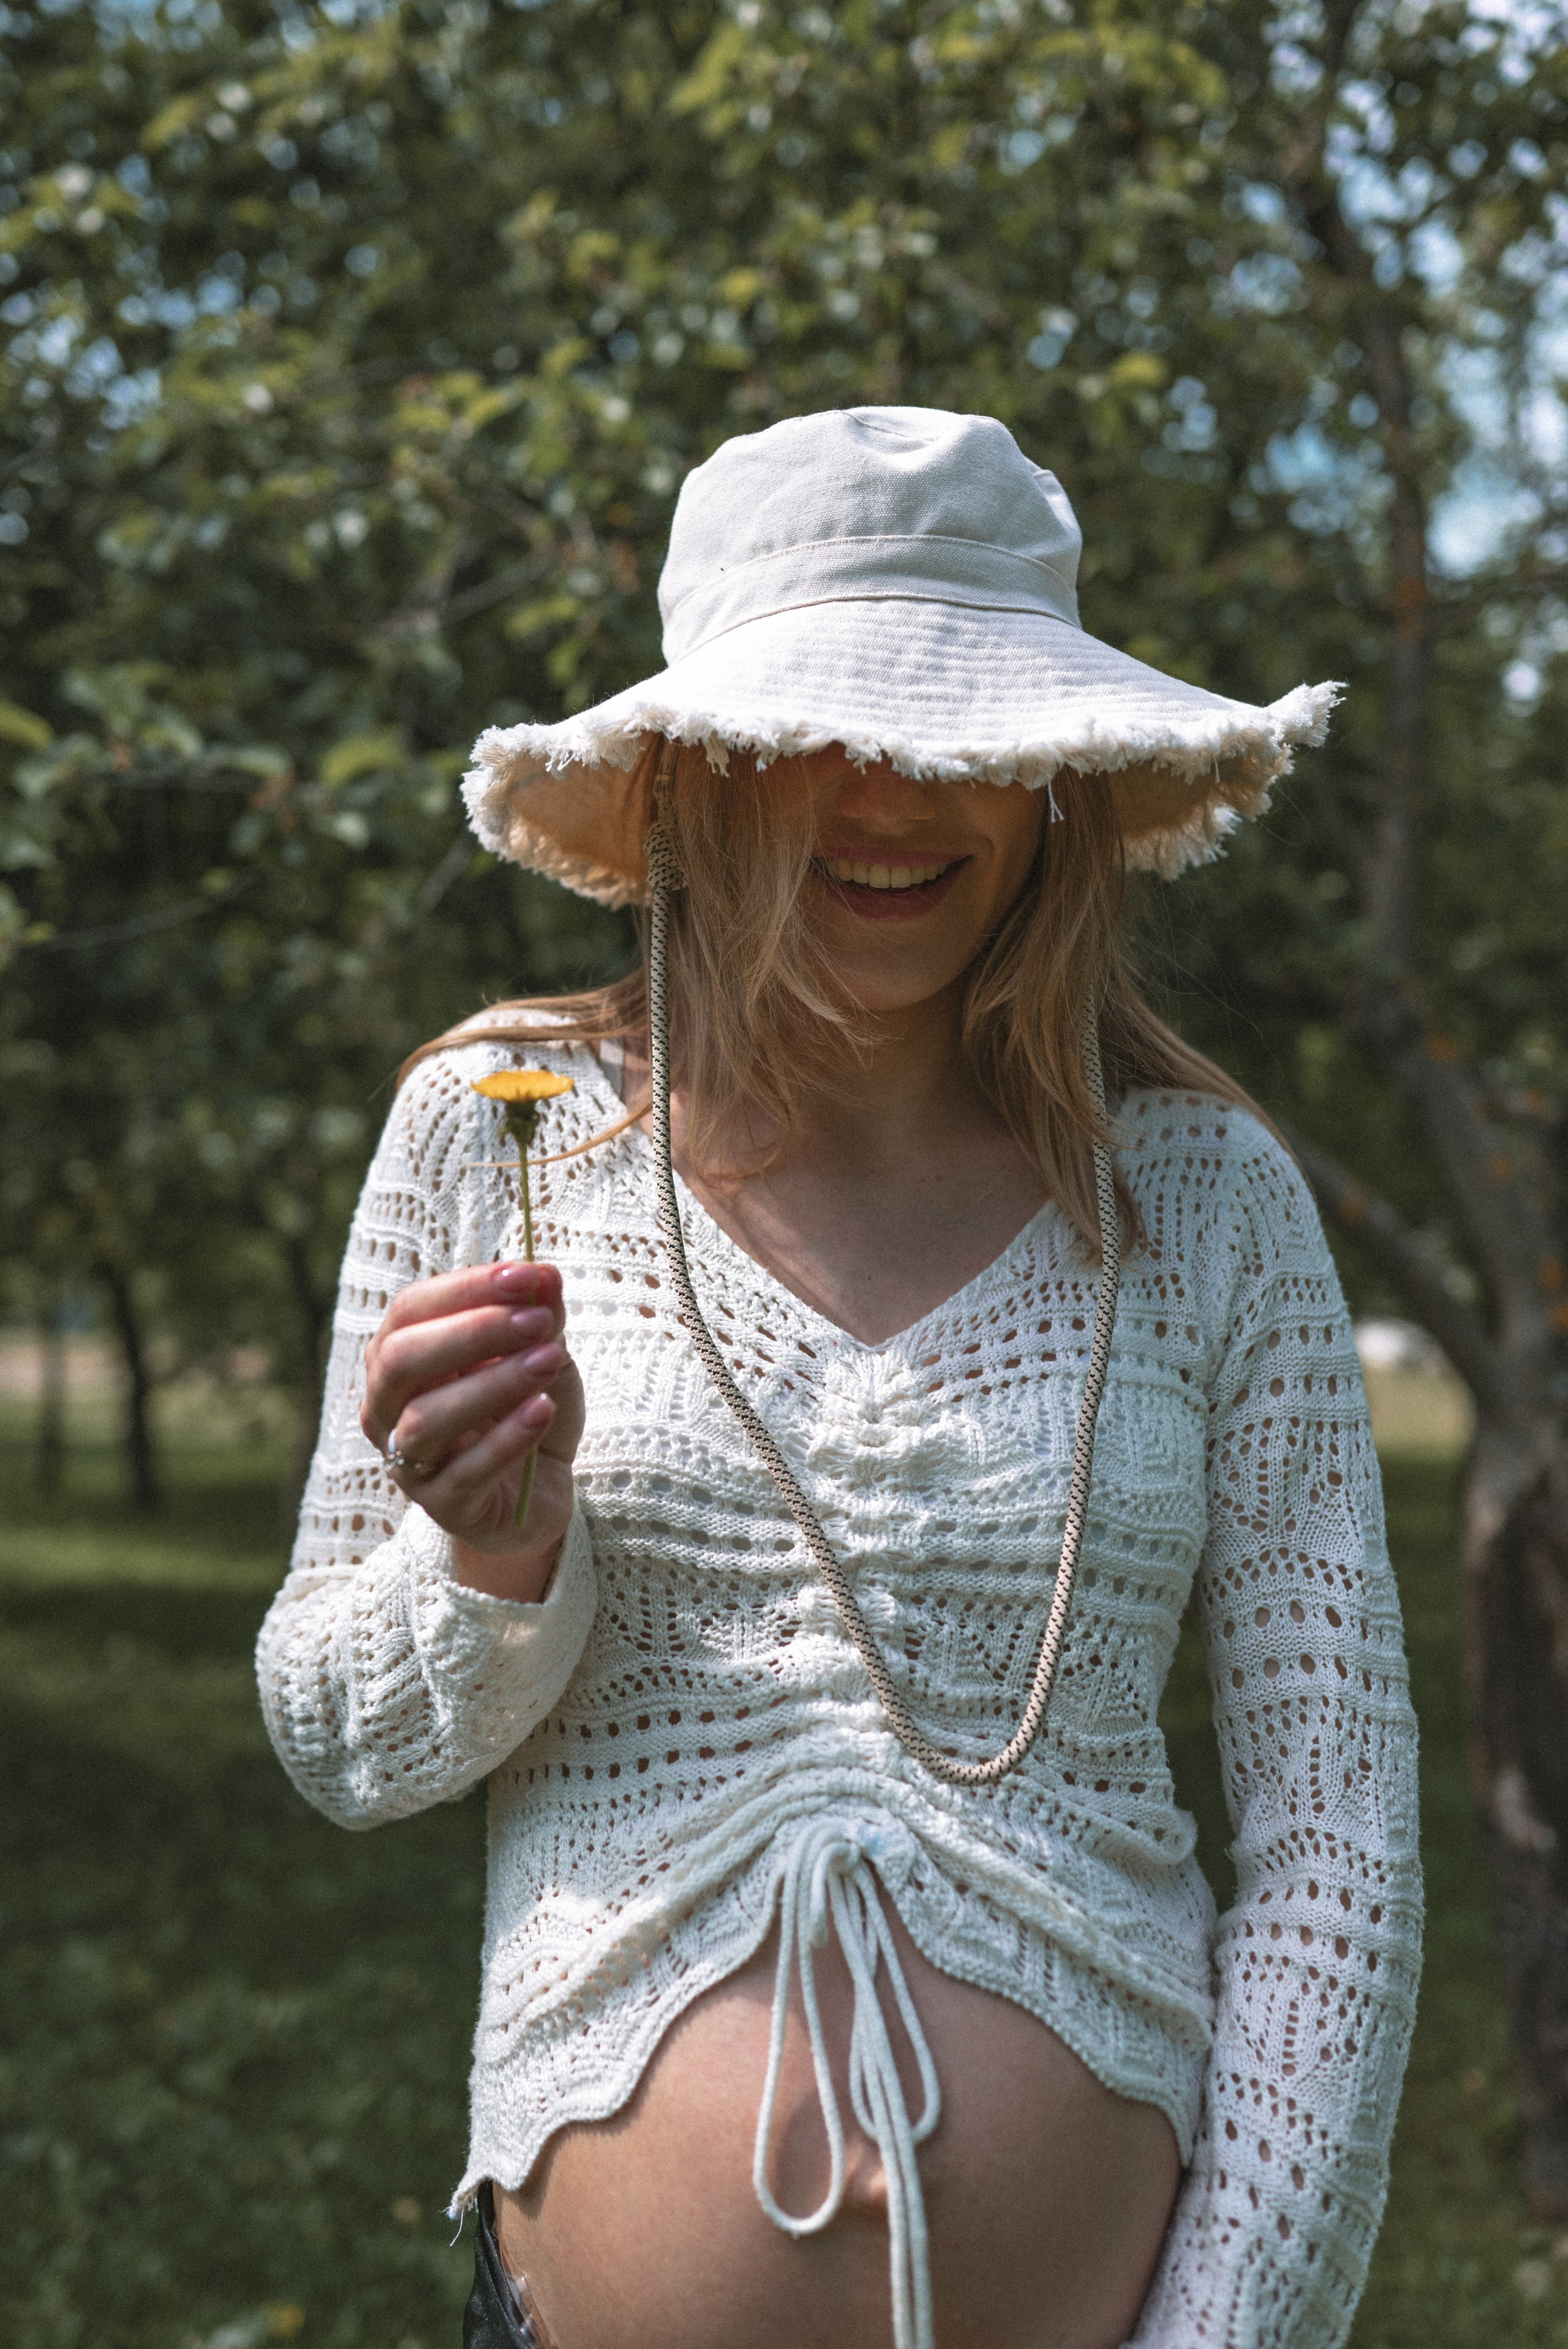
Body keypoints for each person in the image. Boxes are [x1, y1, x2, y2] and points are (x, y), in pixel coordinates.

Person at [256, 407, 1422, 2349]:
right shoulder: (503, 1138)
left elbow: (1340, 1846)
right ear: (688, 776)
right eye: (816, 729)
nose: (892, 791)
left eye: (962, 730)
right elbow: (338, 1737)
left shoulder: (1206, 1205)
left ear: (1056, 781)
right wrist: (489, 1563)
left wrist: (1228, 2330)